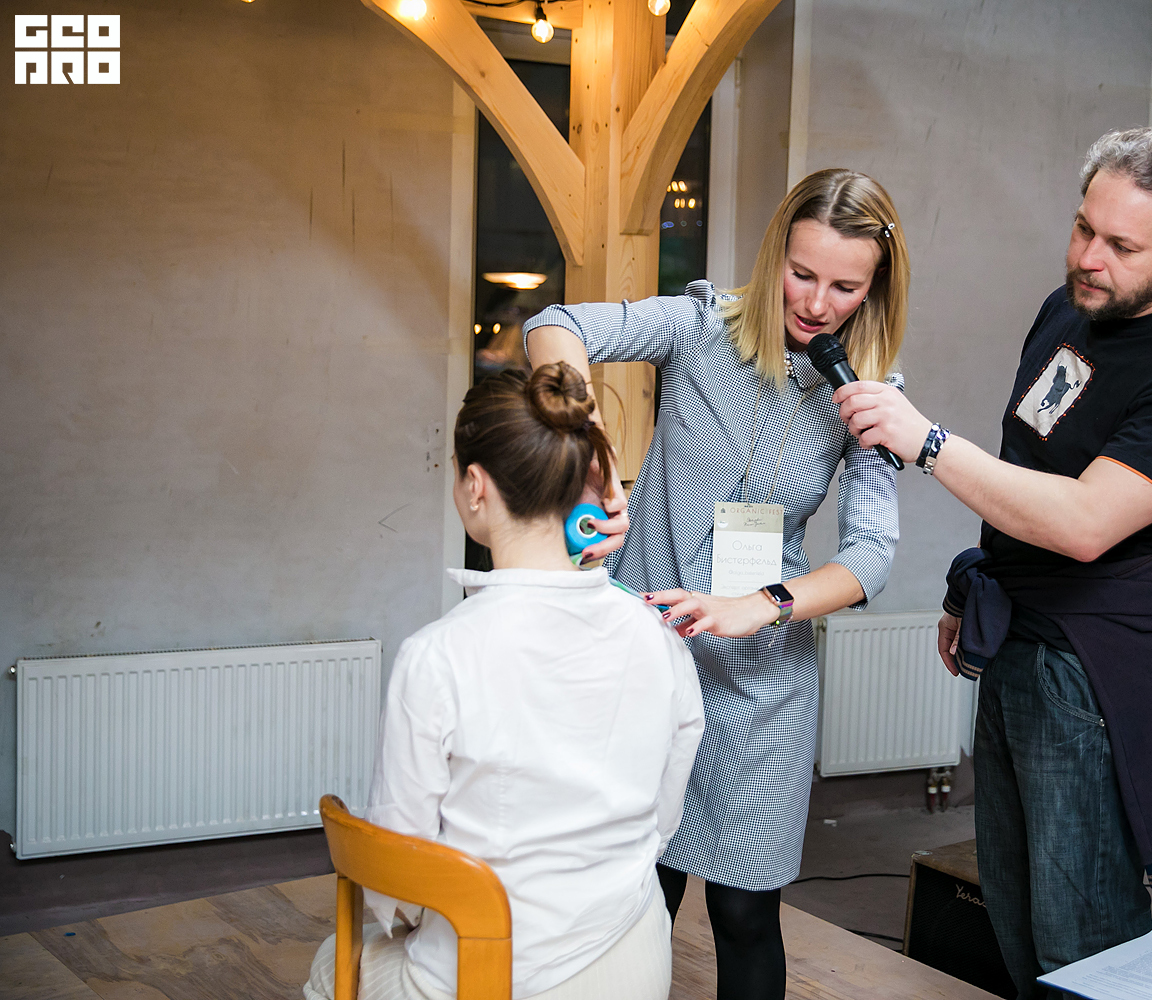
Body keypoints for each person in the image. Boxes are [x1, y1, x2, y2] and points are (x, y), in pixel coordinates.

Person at [832, 126, 1152, 998]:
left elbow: (1085, 523)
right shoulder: (1068, 311)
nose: (1089, 257)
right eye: (1084, 227)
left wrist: (927, 441)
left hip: (1091, 672)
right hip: (1019, 637)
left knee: (1083, 945)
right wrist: (970, 586)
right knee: (1014, 917)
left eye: (1122, 245)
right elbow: (1026, 474)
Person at [523, 168, 909, 1000]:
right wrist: (585, 440)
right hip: (645, 663)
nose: (816, 303)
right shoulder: (699, 327)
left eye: (845, 287)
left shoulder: (870, 393)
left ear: (876, 288)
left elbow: (873, 553)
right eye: (801, 274)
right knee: (638, 900)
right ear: (776, 256)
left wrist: (761, 605)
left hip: (761, 680)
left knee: (743, 912)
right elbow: (552, 325)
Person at [303, 363, 704, 1000]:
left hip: (491, 973)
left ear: (474, 485)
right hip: (635, 961)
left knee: (334, 962)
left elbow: (398, 877)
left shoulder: (437, 655)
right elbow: (663, 819)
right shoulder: (660, 638)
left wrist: (415, 919)